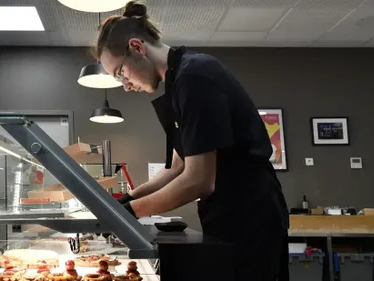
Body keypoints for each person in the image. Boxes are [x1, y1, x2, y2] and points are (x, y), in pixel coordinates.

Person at [92, 1, 290, 281]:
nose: (125, 85)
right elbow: (176, 168)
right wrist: (124, 201)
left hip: (251, 215)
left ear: (137, 47)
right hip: (224, 214)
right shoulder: (176, 83)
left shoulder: (195, 75)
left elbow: (199, 180)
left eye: (120, 73)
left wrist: (129, 214)